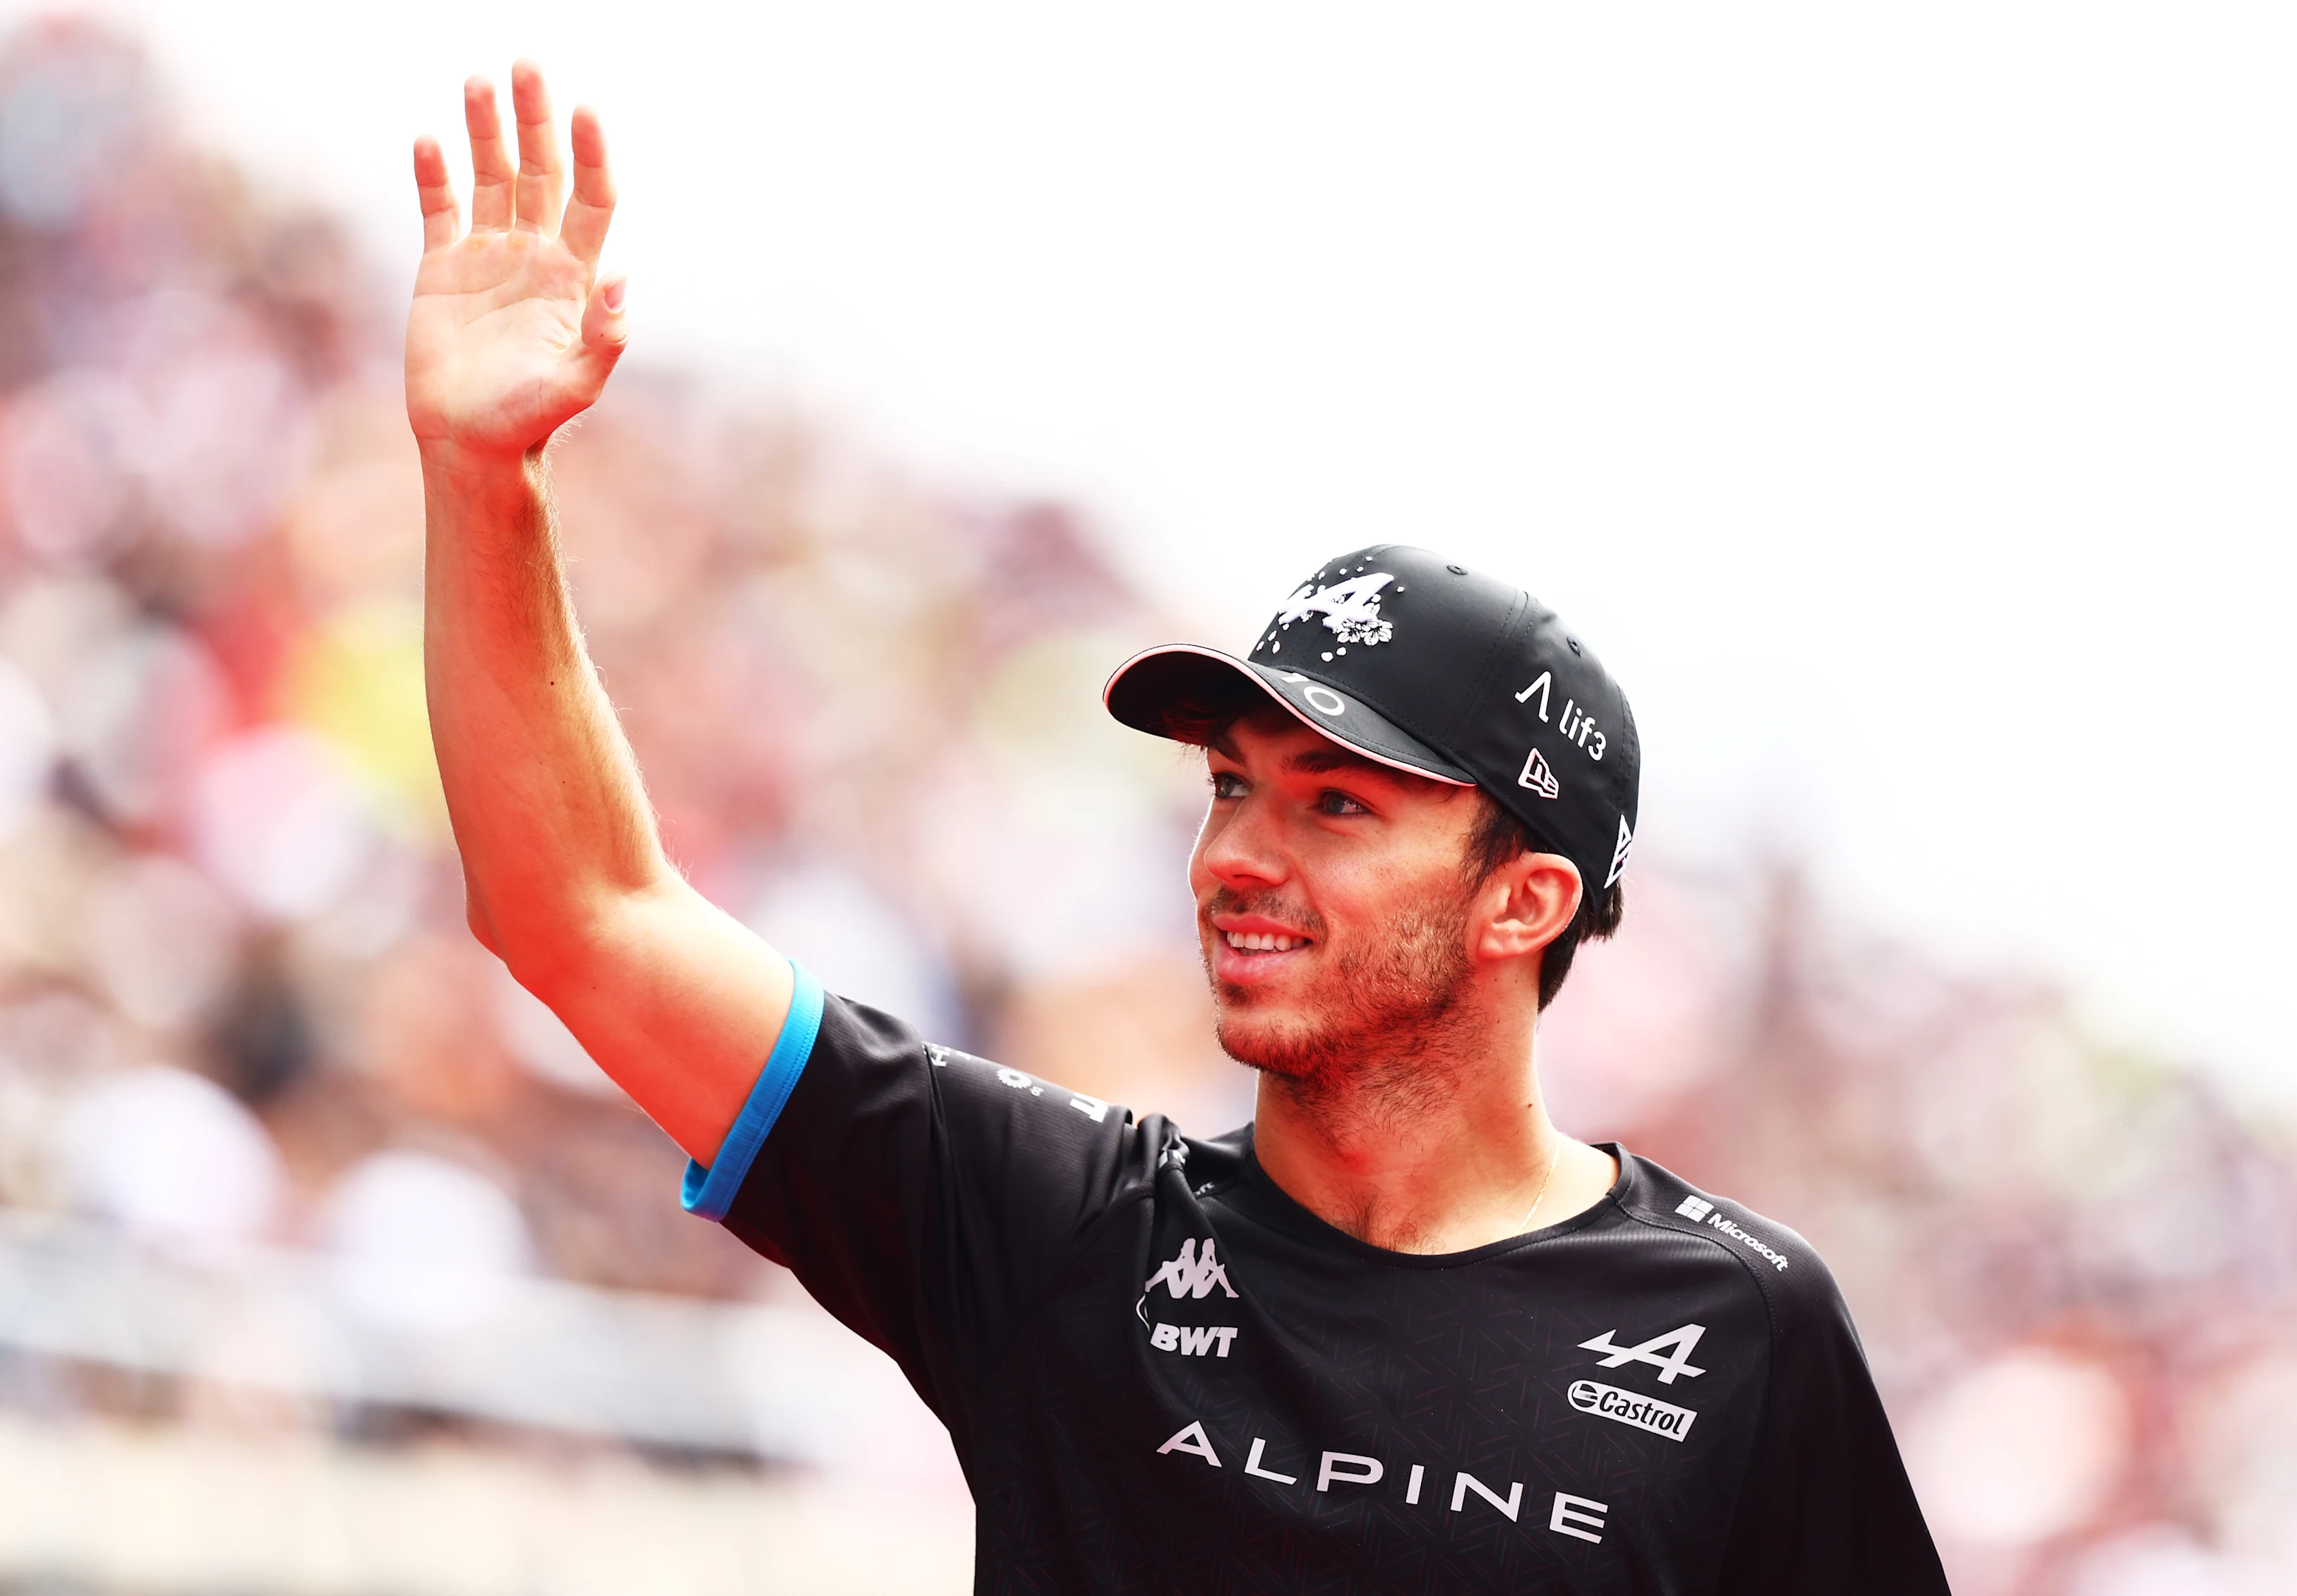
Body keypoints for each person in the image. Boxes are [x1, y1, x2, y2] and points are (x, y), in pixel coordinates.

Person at [408, 61, 1950, 1595]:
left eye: (1335, 803)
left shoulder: (1740, 1326)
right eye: (1229, 784)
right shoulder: (1062, 1226)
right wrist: (488, 481)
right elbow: (583, 910)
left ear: (1522, 900)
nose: (1233, 856)